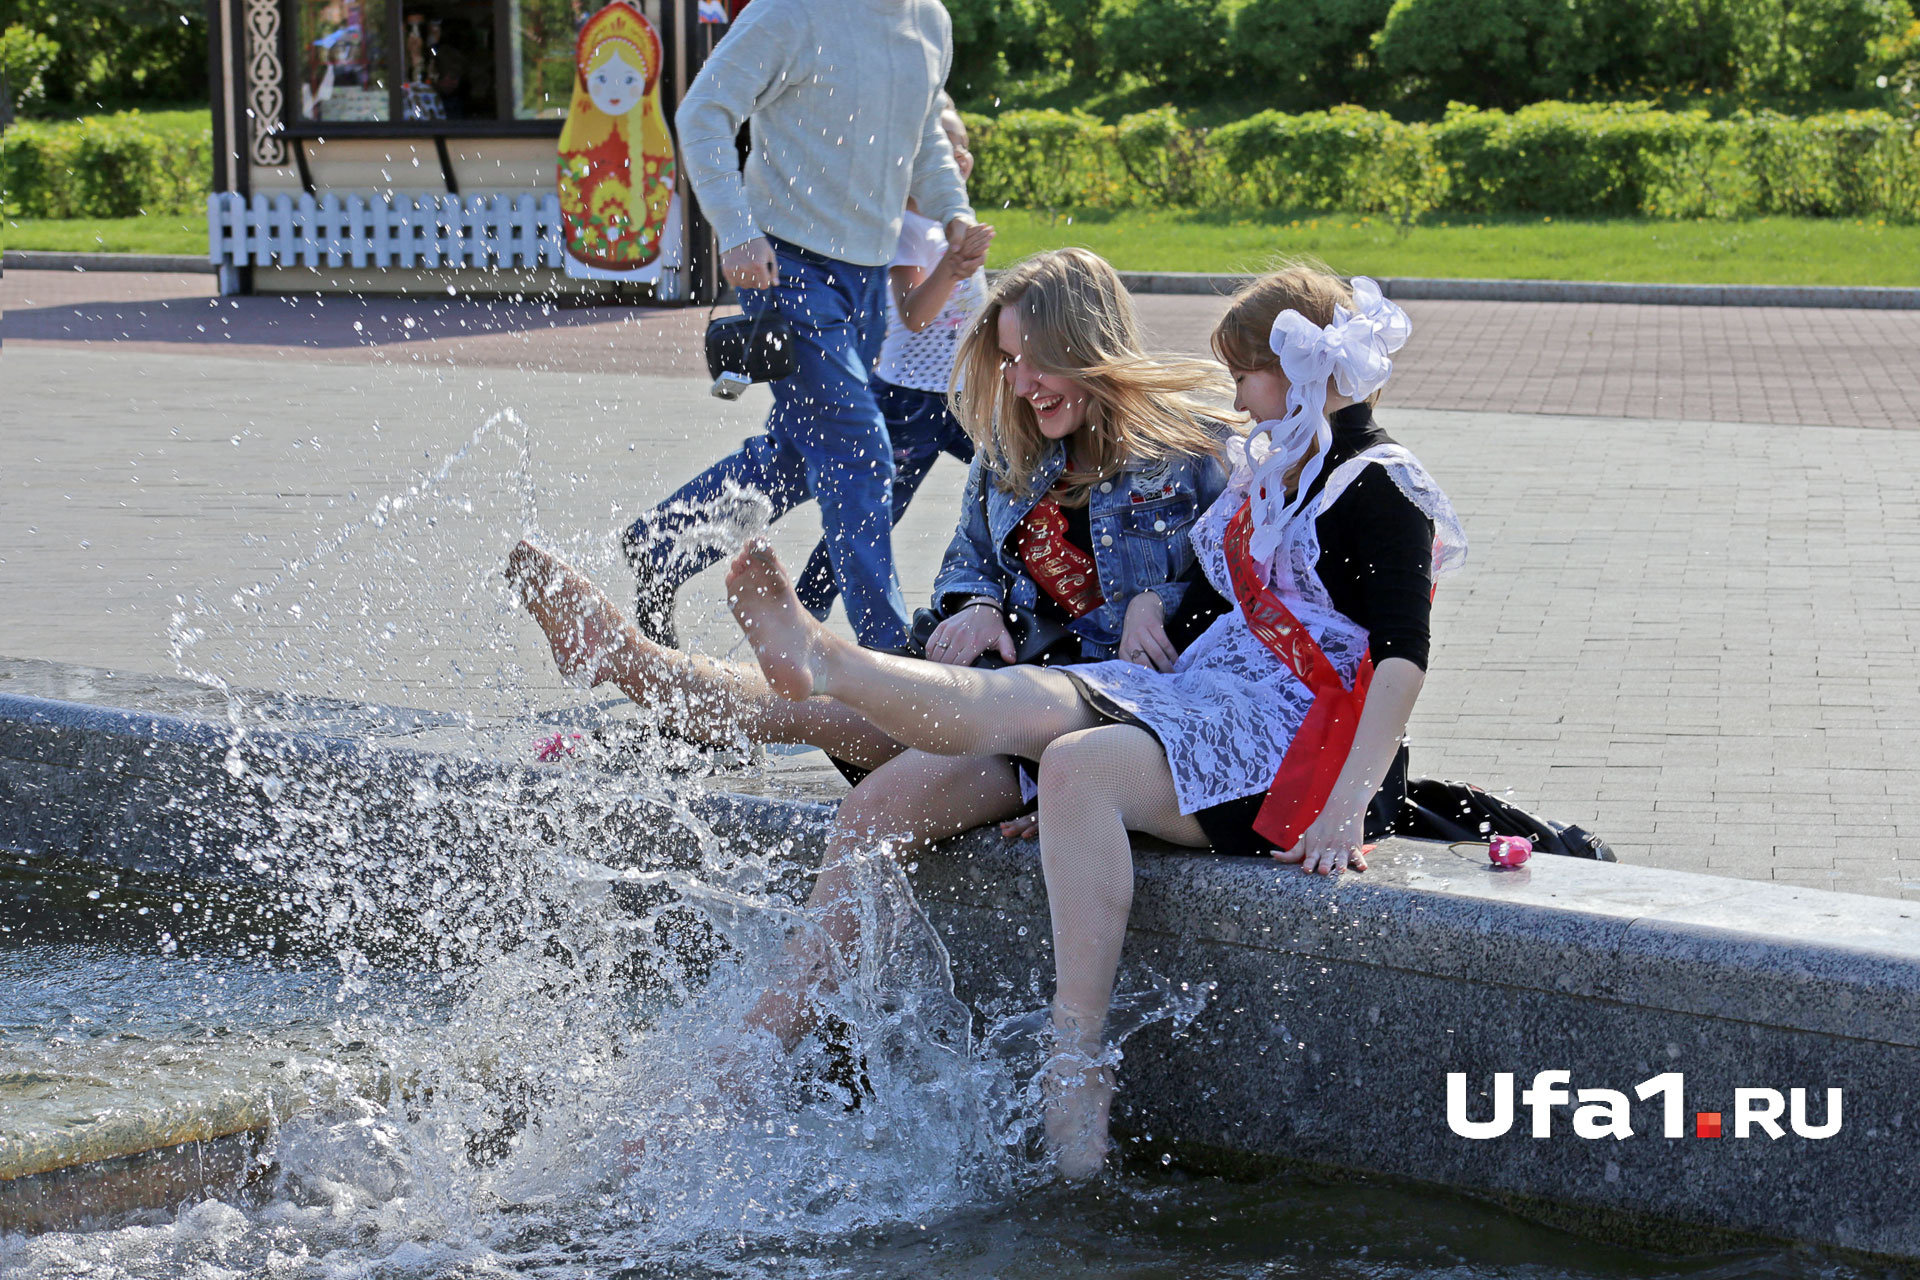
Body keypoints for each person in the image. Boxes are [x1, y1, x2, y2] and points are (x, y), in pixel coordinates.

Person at [710, 263, 1467, 1178]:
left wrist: (1347, 805)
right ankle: (834, 663)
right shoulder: (1281, 475)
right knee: (1031, 710)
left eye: (1247, 376)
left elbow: (1401, 657)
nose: (1236, 395)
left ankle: (1074, 1064)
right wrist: (1161, 607)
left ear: (1303, 374)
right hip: (1217, 699)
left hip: (1308, 748)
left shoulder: (1378, 482)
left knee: (1075, 763)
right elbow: (1229, 598)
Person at [507, 248, 1233, 1131]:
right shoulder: (1008, 447)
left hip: (1103, 725)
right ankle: (635, 668)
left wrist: (1165, 601)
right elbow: (969, 565)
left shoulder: (1195, 456)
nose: (1024, 383)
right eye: (1009, 361)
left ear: (1091, 344)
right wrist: (970, 610)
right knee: (838, 752)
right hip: (1001, 706)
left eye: (1039, 361)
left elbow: (1259, 603)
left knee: (855, 755)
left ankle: (752, 1047)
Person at [620, 0, 987, 651]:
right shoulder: (790, 11)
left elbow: (925, 130)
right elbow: (703, 112)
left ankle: (663, 542)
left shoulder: (929, 21)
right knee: (858, 448)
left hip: (869, 277)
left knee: (798, 453)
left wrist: (953, 214)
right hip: (785, 268)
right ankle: (886, 654)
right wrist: (735, 230)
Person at [793, 99, 991, 622]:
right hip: (910, 403)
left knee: (1019, 471)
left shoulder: (954, 229)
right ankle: (803, 608)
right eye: (948, 147)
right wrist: (952, 265)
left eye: (964, 144)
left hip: (965, 397)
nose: (961, 155)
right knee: (876, 514)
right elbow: (915, 314)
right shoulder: (905, 228)